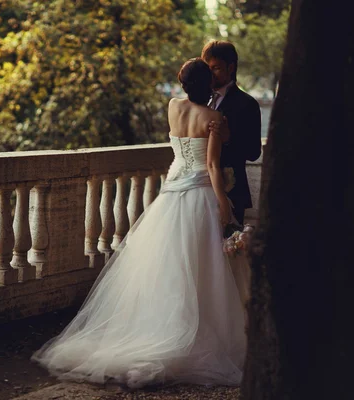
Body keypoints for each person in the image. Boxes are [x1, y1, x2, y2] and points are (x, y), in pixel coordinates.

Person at [31, 58, 246, 389]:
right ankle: (188, 333)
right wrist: (222, 201)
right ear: (209, 87)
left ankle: (156, 325)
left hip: (172, 190)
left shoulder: (173, 106)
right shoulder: (213, 118)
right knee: (200, 265)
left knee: (166, 265)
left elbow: (184, 149)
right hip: (199, 191)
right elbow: (213, 166)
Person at [202, 40, 262, 224]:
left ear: (231, 68)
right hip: (199, 190)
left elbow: (254, 152)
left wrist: (229, 139)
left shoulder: (247, 104)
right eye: (207, 68)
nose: (210, 74)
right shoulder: (198, 101)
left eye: (216, 68)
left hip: (232, 191)